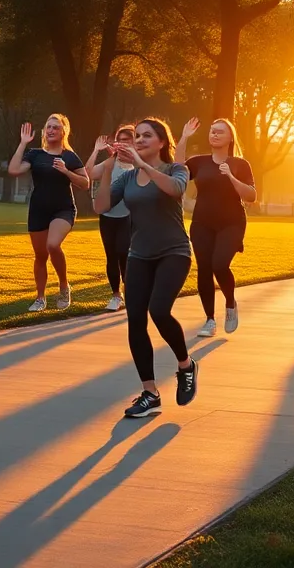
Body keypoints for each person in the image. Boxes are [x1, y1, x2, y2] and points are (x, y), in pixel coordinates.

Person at [94, 118, 199, 419]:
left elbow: (175, 190)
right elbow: (101, 207)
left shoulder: (175, 169)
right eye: (136, 136)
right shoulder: (126, 180)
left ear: (162, 142)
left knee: (160, 311)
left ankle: (185, 365)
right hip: (139, 254)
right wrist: (108, 169)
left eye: (146, 136)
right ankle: (150, 393)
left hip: (174, 252)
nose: (139, 139)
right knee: (135, 320)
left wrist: (141, 163)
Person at [180, 118, 256, 337]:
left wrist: (231, 176)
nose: (214, 134)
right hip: (202, 223)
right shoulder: (198, 162)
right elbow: (177, 169)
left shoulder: (240, 164)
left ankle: (230, 304)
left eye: (220, 132)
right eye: (212, 131)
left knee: (219, 265)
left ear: (230, 137)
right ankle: (210, 320)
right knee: (204, 268)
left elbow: (251, 196)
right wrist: (184, 137)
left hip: (231, 223)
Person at [8, 114, 90, 311]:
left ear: (63, 132)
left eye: (56, 127)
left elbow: (85, 183)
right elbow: (14, 170)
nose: (51, 130)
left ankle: (63, 285)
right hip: (38, 210)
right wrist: (23, 143)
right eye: (48, 127)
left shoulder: (69, 156)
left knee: (53, 245)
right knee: (40, 255)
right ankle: (40, 297)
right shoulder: (35, 154)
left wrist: (66, 172)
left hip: (63, 209)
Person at [87, 125, 136, 311]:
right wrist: (96, 151)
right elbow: (89, 173)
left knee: (124, 252)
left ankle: (129, 290)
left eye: (128, 140)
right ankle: (116, 295)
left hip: (127, 216)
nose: (124, 143)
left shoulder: (136, 165)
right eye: (121, 140)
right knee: (112, 256)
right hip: (107, 216)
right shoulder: (110, 162)